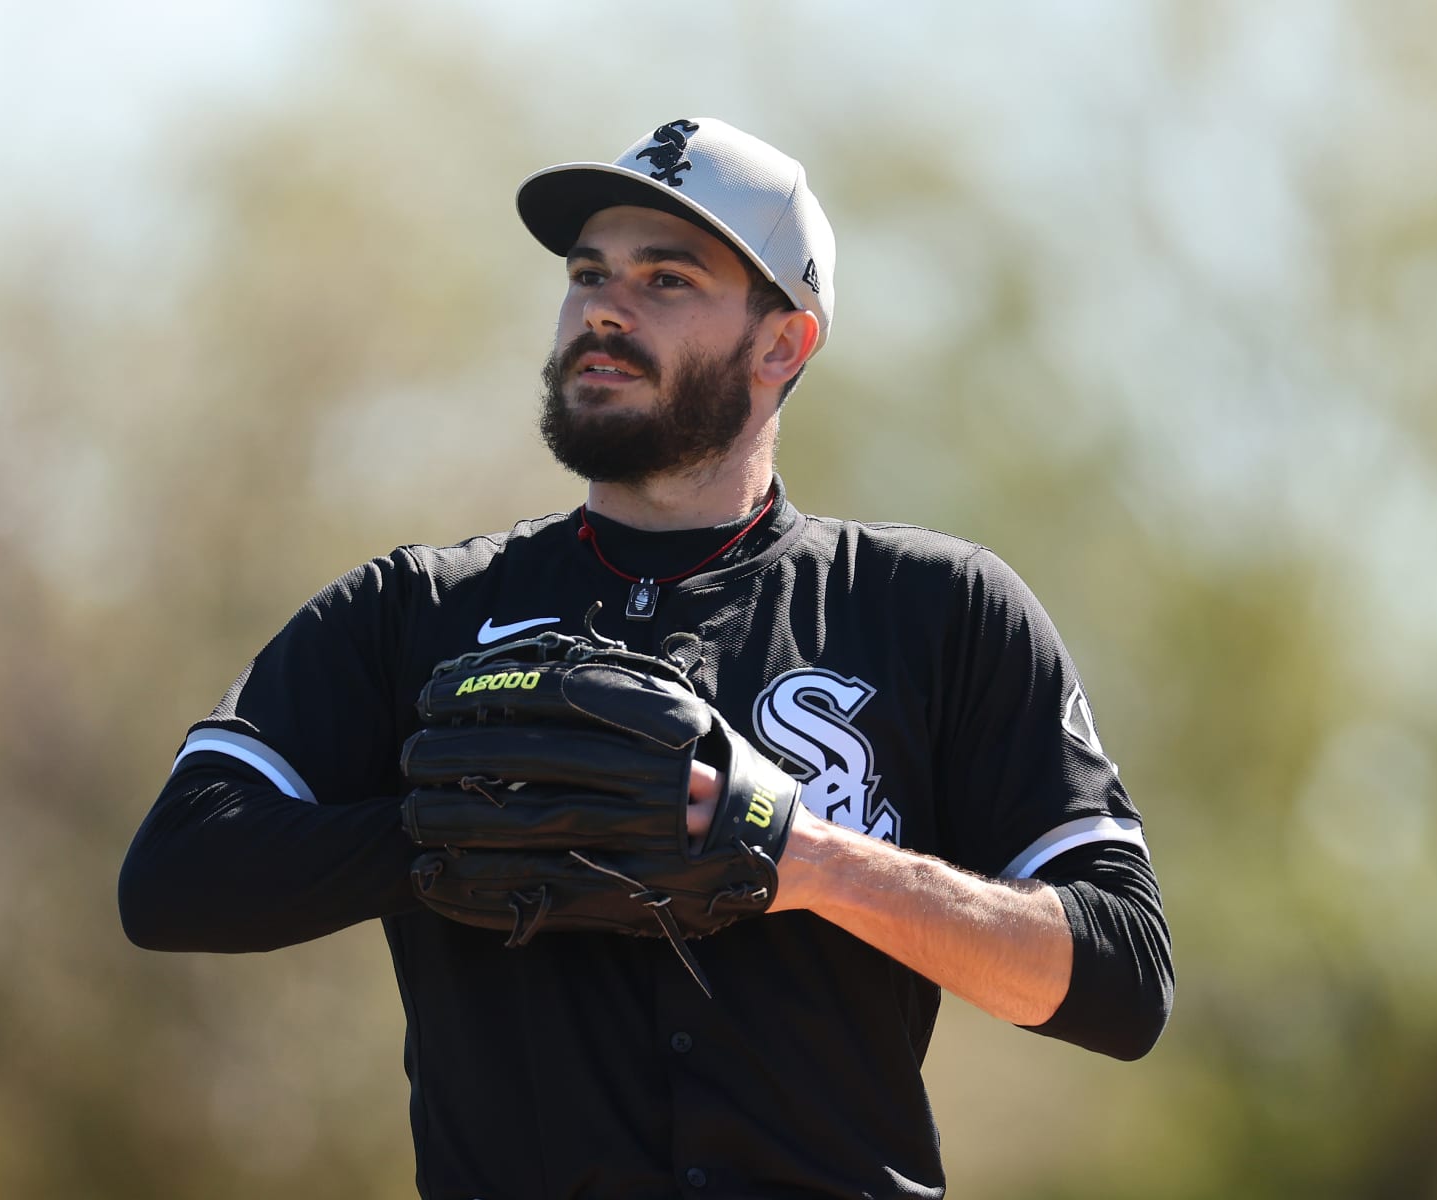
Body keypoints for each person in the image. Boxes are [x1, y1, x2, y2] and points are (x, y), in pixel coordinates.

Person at [120, 117, 1173, 1200]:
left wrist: (802, 858)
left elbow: (1122, 979)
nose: (604, 309)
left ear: (783, 345)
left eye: (667, 278)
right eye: (588, 274)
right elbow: (174, 878)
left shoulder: (932, 611)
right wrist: (458, 831)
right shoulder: (421, 611)